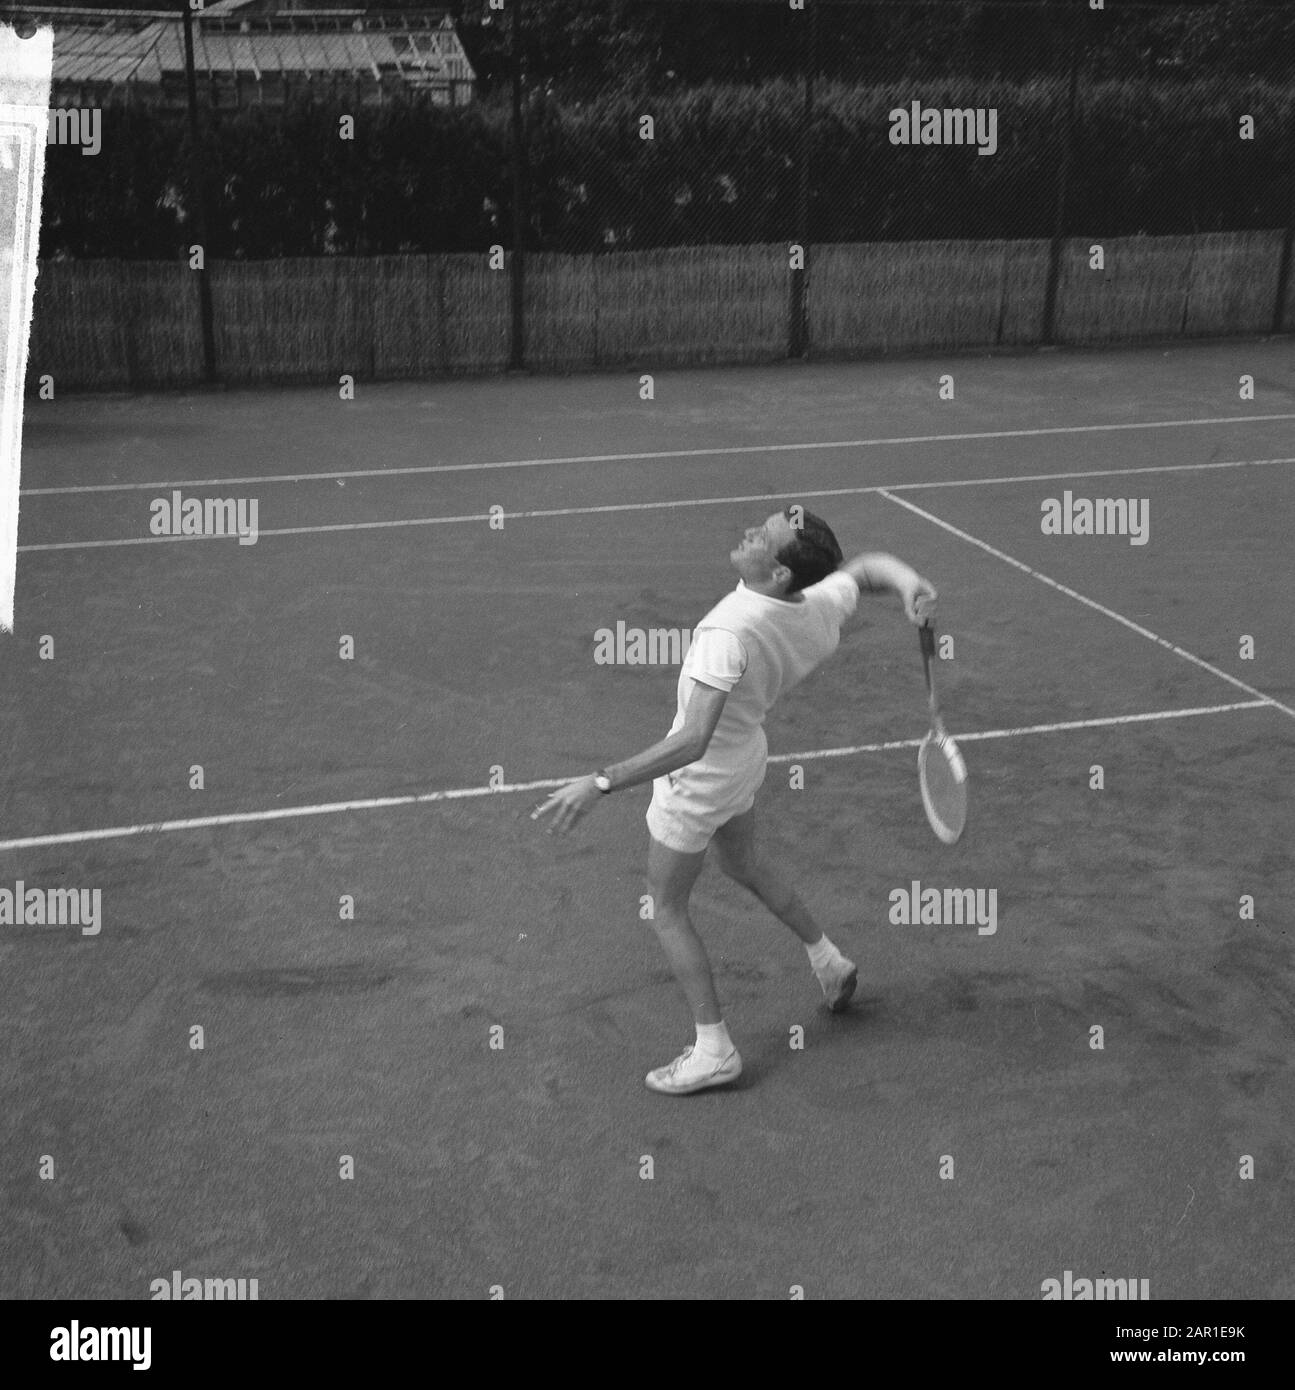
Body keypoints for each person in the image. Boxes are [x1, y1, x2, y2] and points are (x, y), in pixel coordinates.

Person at [532, 507, 937, 1095]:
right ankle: (829, 961)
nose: (749, 532)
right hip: (745, 758)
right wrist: (910, 583)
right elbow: (867, 569)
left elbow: (691, 741)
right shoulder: (815, 607)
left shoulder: (727, 636)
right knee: (742, 862)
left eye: (762, 539)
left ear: (776, 576)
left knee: (666, 907)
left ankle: (714, 1049)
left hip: (697, 783)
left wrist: (598, 783)